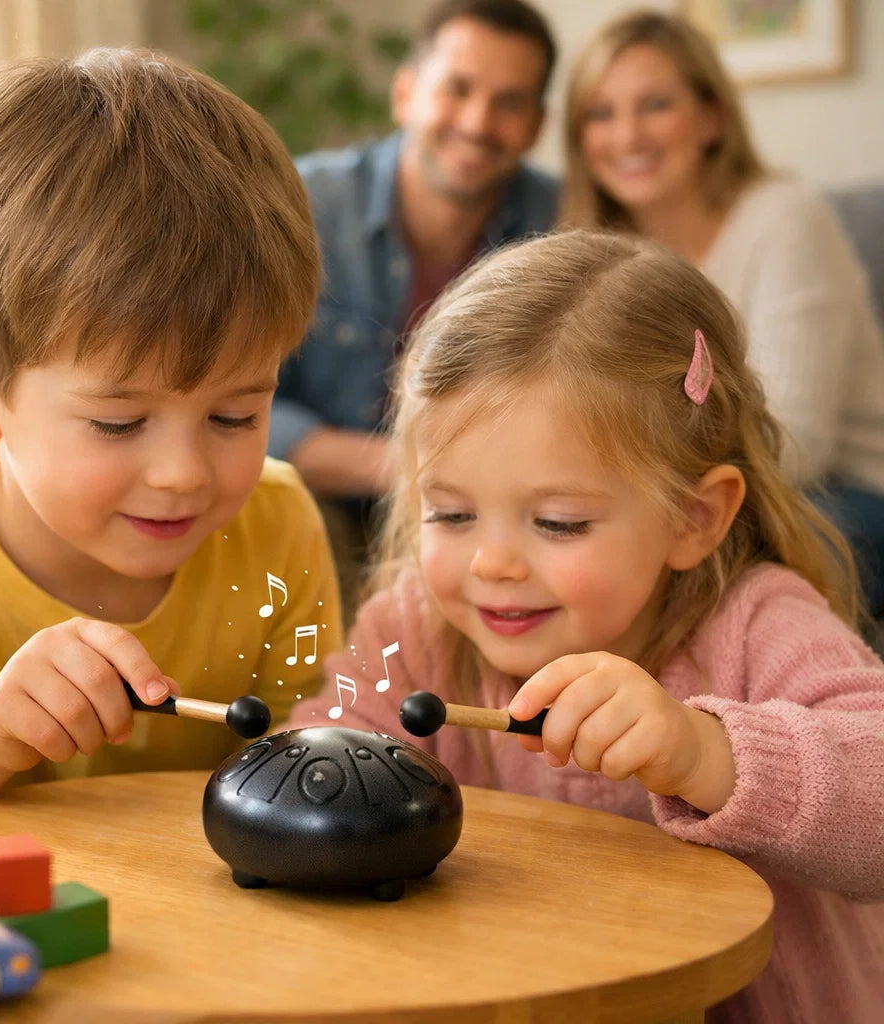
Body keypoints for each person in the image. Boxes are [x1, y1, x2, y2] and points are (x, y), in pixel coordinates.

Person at [293, 232, 884, 1022]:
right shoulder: (412, 628)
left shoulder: (752, 620)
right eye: (452, 513)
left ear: (694, 518)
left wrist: (705, 752)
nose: (492, 563)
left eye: (559, 522)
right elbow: (318, 758)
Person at [0, 49, 342, 799]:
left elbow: (312, 750)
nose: (183, 472)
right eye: (118, 423)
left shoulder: (279, 529)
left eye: (234, 414)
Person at [560, 9, 884, 615]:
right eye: (600, 114)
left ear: (711, 117)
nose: (628, 135)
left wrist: (640, 492)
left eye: (655, 104)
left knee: (688, 566)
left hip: (844, 490)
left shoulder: (785, 219)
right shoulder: (590, 250)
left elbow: (800, 443)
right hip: (674, 490)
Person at [271, 0, 561, 610]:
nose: (478, 122)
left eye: (509, 103)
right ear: (405, 94)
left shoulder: (561, 223)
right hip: (328, 498)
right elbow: (232, 396)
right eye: (457, 89)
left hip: (492, 511)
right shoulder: (301, 202)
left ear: (536, 126)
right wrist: (396, 466)